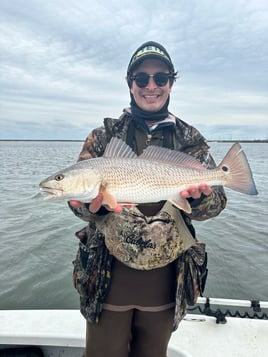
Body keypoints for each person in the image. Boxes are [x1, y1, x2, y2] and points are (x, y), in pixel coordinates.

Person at [69, 41, 227, 357]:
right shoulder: (103, 136)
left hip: (167, 278)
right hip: (106, 278)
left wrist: (196, 200)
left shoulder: (190, 139)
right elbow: (78, 204)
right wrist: (88, 205)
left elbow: (217, 204)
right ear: (130, 83)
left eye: (161, 78)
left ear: (171, 83)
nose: (151, 86)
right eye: (142, 78)